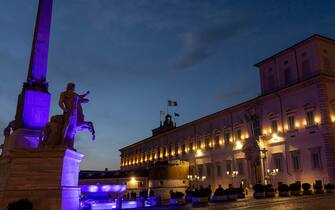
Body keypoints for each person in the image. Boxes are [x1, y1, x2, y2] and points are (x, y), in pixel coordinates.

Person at [58, 83, 90, 148]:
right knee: (66, 126)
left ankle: (70, 144)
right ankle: (62, 141)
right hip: (68, 112)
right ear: (69, 87)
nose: (73, 88)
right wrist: (65, 109)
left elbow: (80, 97)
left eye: (73, 87)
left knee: (73, 128)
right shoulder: (63, 93)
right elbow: (60, 103)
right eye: (72, 87)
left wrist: (86, 94)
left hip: (75, 113)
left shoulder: (75, 94)